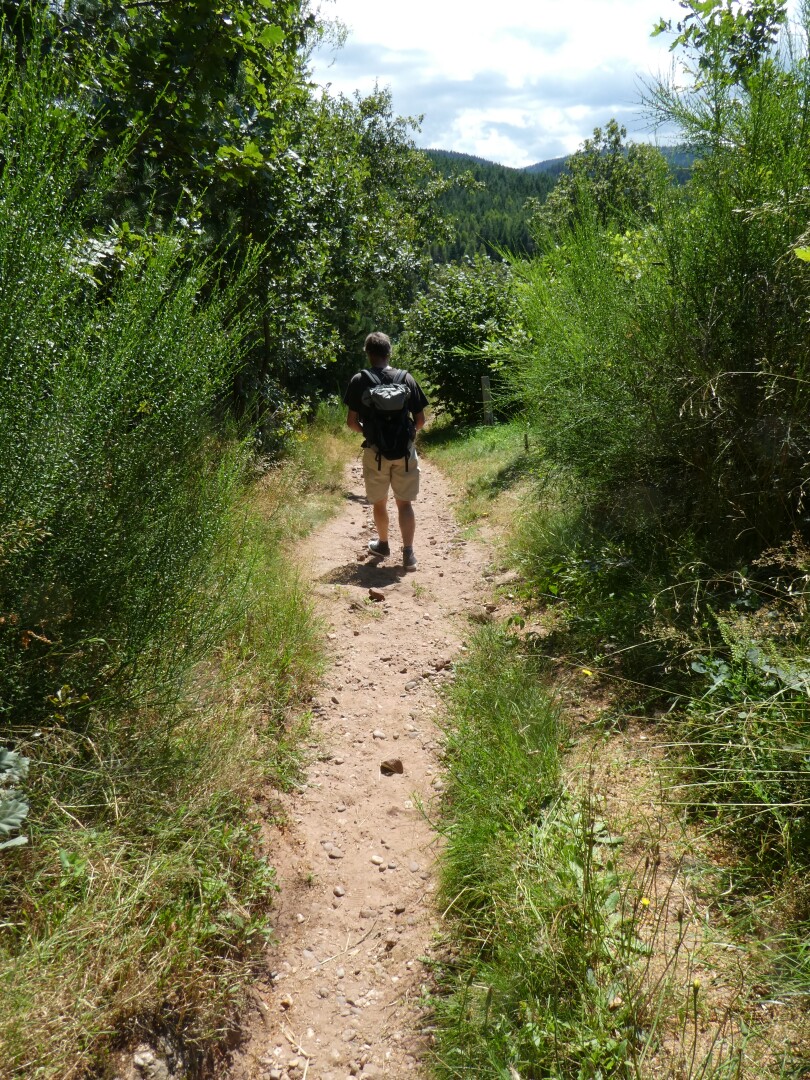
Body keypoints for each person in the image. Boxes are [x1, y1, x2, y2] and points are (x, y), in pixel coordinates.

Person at [344, 332, 428, 570]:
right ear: (389, 352)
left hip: (375, 454)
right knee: (405, 503)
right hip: (404, 452)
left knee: (379, 503)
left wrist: (371, 435)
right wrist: (408, 435)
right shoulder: (406, 378)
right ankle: (409, 554)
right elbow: (420, 420)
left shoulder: (360, 380)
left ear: (368, 353)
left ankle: (383, 544)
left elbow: (351, 422)